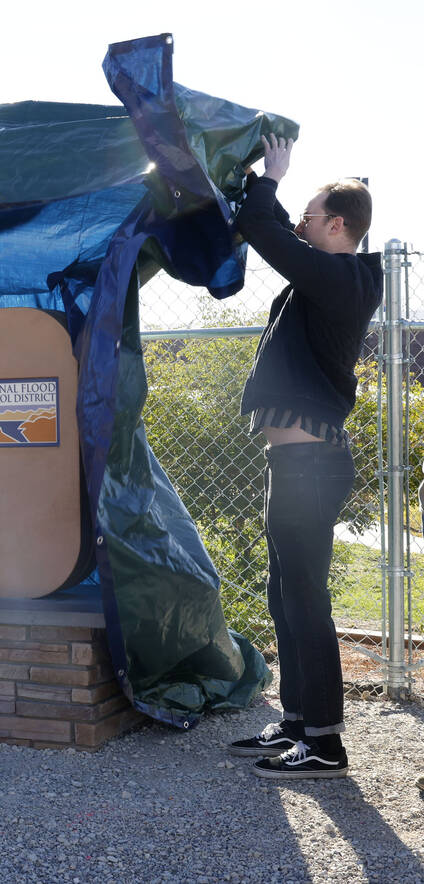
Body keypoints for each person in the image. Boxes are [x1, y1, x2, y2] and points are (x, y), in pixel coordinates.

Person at [225, 136, 382, 779]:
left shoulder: (344, 277)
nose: (299, 223)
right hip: (292, 467)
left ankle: (325, 742)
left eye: (309, 216)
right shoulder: (318, 283)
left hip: (311, 469)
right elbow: (272, 236)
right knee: (283, 596)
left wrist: (274, 175)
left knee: (306, 601)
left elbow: (263, 228)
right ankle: (296, 723)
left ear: (337, 225)